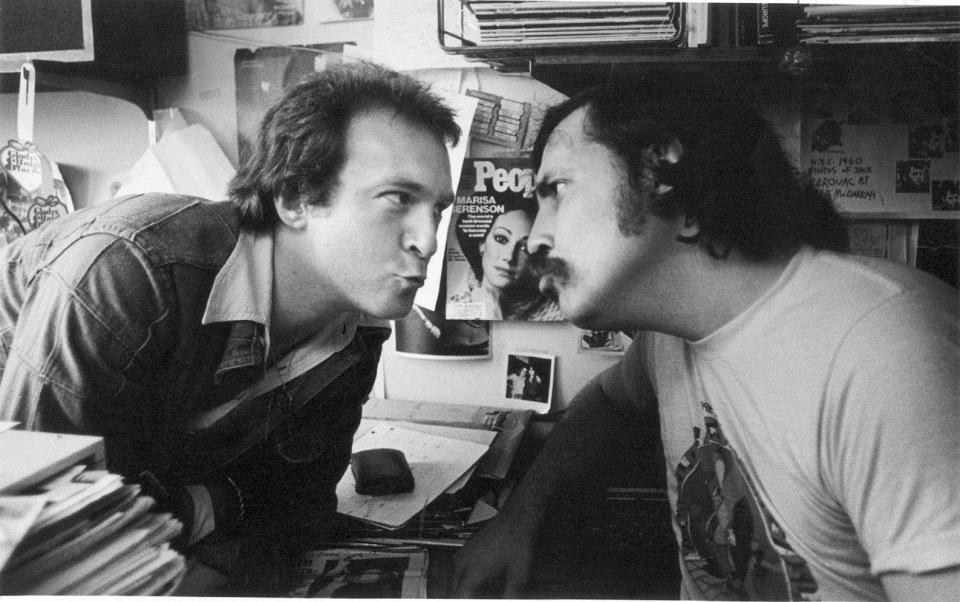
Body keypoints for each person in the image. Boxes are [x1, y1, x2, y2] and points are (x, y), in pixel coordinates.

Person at [451, 81, 960, 600]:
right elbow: (608, 403)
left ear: (661, 165)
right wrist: (518, 520)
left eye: (556, 190)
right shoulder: (669, 337)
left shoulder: (886, 350)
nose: (536, 238)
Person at [0, 61, 459, 593]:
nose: (427, 241)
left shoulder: (355, 330)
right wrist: (216, 504)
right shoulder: (129, 271)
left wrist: (214, 554)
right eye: (398, 199)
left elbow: (300, 508)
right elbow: (37, 535)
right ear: (295, 199)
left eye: (439, 210)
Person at [447, 196, 561, 320]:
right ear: (482, 244)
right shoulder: (457, 307)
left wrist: (495, 316)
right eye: (501, 239)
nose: (509, 256)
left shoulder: (553, 314)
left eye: (524, 248)